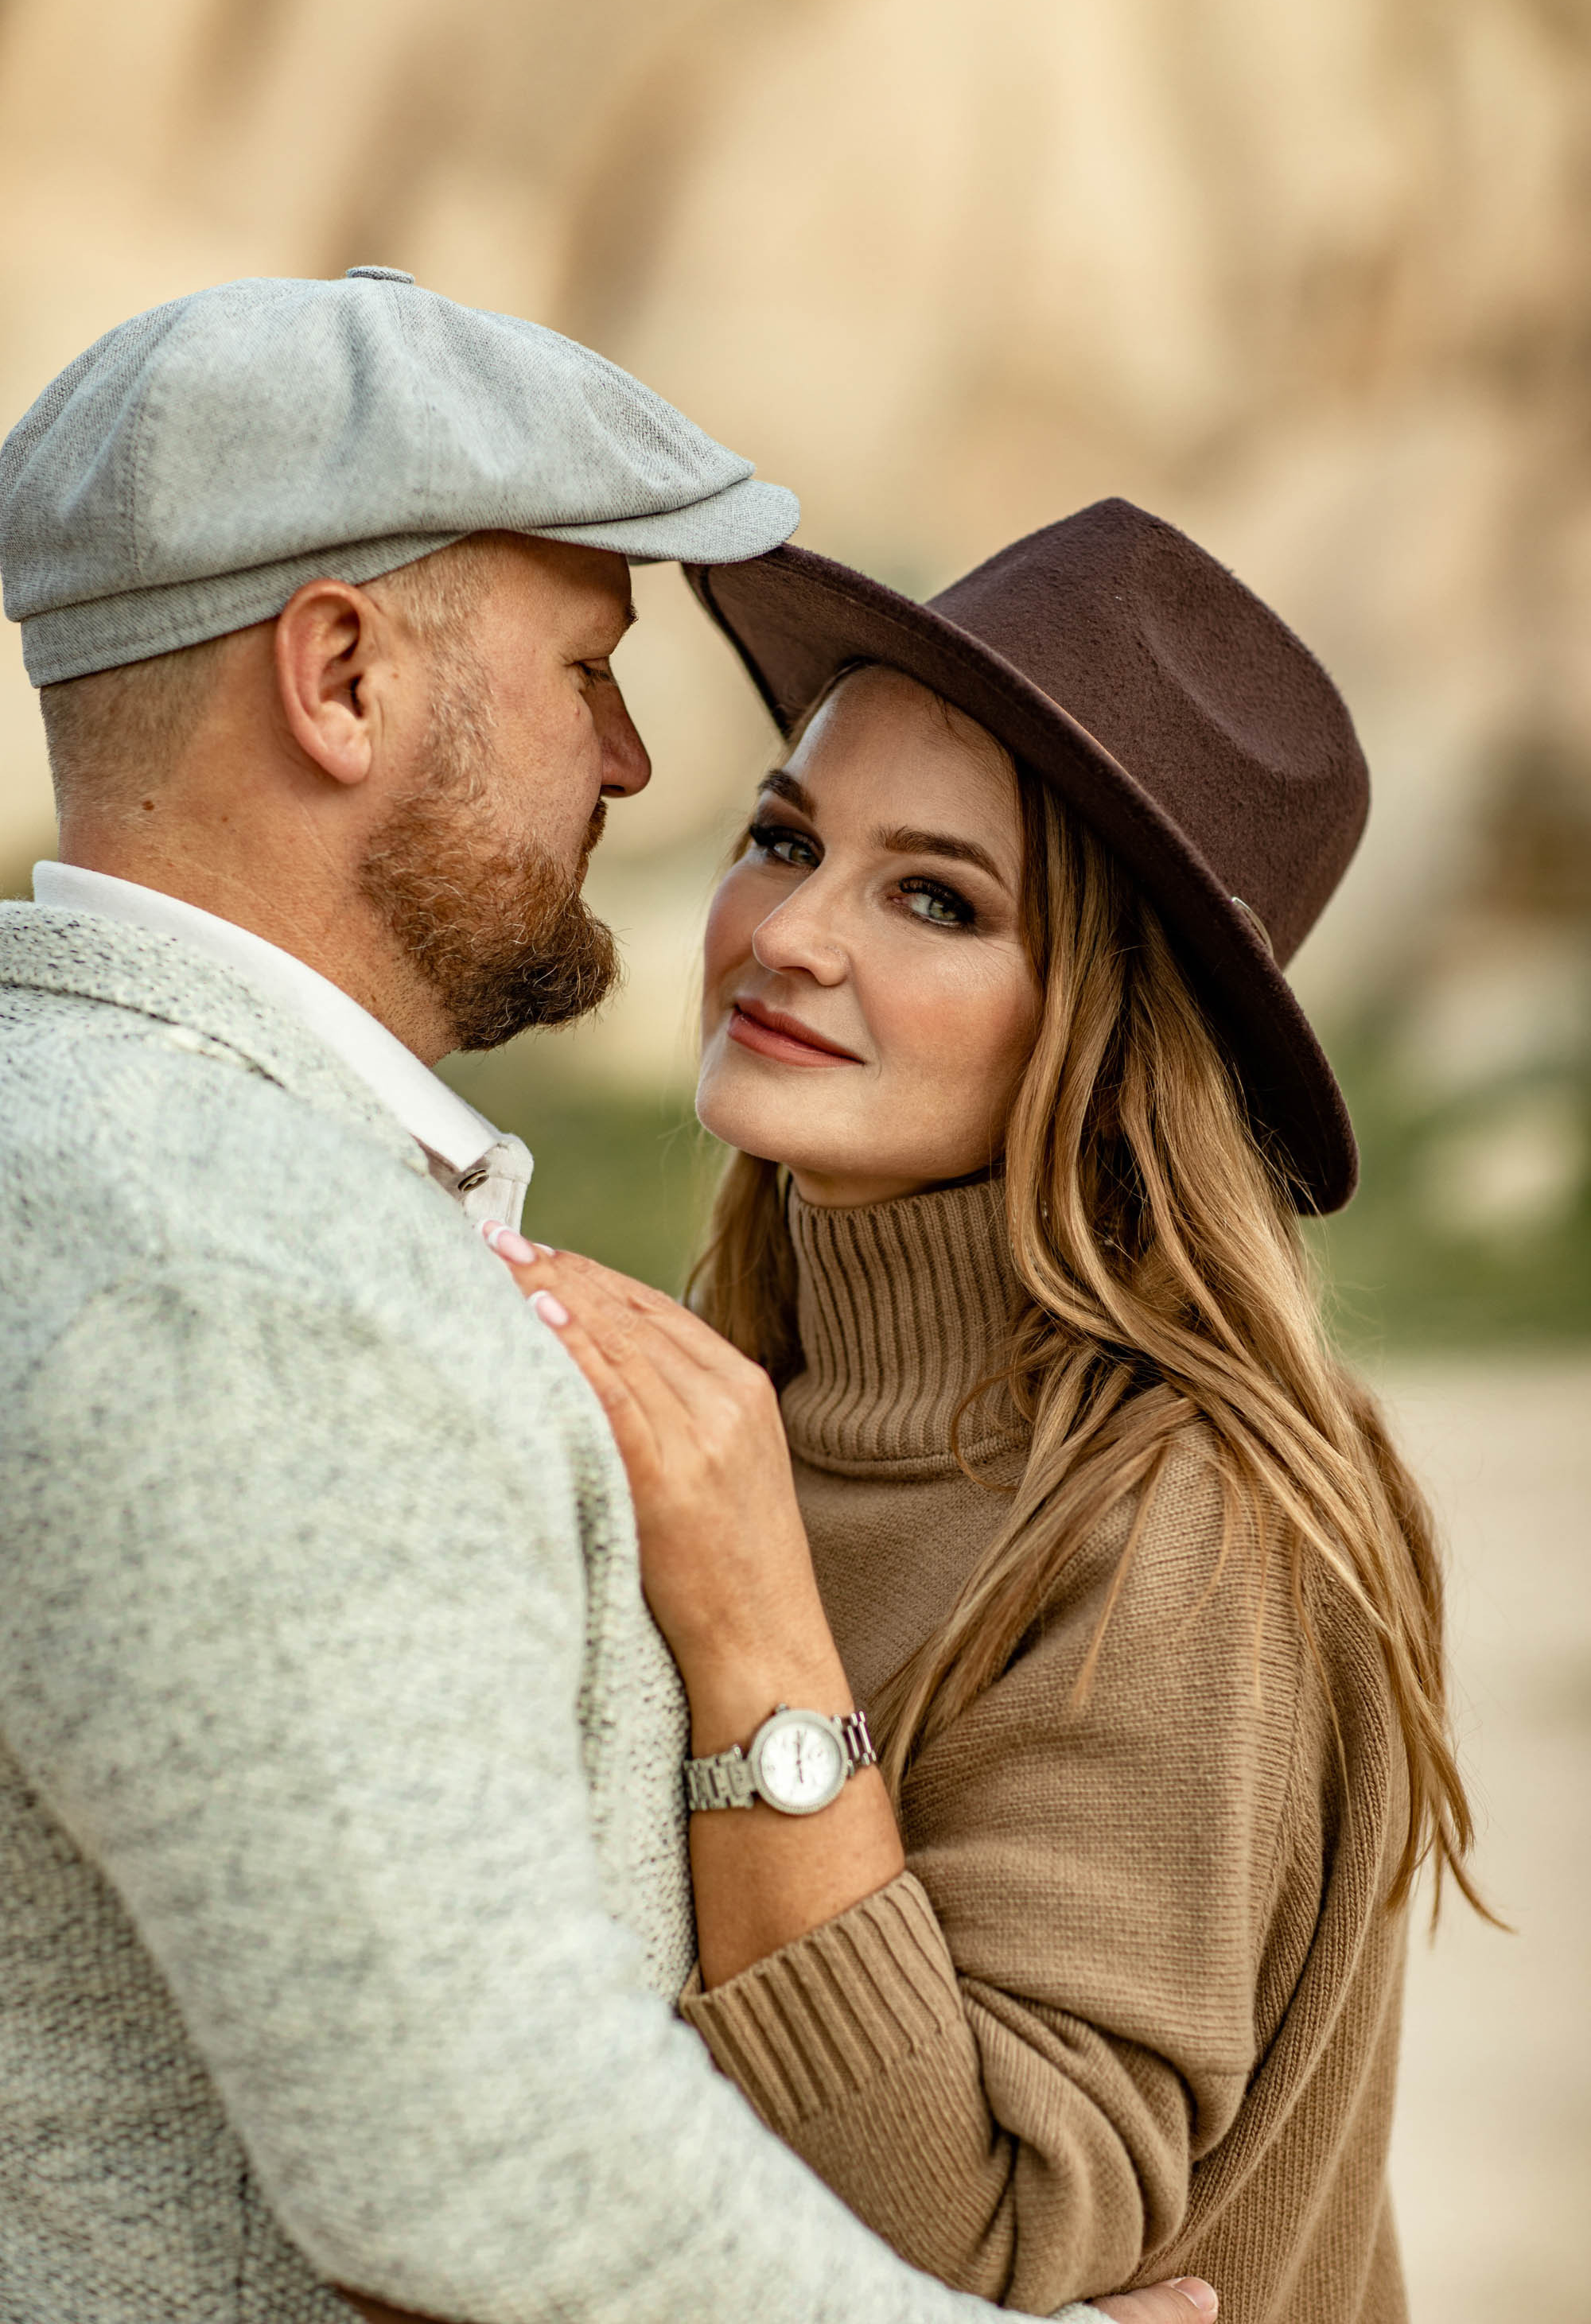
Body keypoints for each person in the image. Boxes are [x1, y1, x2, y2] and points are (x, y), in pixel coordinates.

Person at [0, 273, 1203, 2324]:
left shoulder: (109, 1146)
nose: (637, 761)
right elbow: (478, 2164)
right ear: (341, 678)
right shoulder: (239, 1270)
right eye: (586, 667)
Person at [494, 506, 1488, 2324]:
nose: (789, 932)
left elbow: (994, 2241)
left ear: (1103, 1032)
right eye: (784, 838)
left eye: (935, 898)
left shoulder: (1180, 1516)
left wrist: (749, 1622)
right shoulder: (737, 1400)